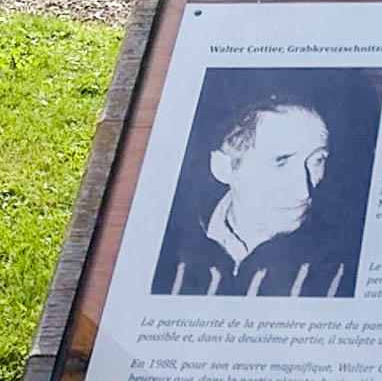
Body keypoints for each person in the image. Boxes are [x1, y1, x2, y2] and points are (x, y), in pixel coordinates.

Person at [152, 92, 356, 297]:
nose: (303, 192)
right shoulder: (163, 249)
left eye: (317, 160)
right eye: (280, 162)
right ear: (223, 168)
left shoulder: (341, 264)